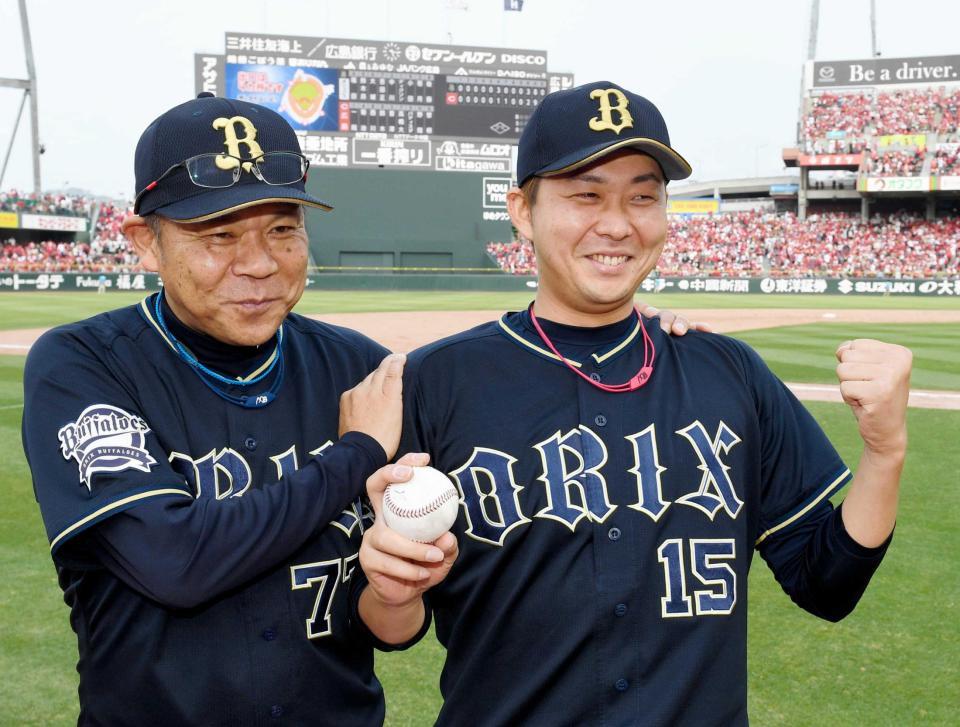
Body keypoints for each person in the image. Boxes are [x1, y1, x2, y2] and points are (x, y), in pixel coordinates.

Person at [21, 92, 693, 725]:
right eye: (219, 236)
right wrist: (356, 455)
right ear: (144, 241)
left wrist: (633, 339)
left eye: (283, 229)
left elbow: (395, 622)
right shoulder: (85, 365)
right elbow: (173, 560)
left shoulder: (365, 371)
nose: (259, 263)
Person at [355, 81, 913, 725]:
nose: (617, 223)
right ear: (520, 209)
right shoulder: (434, 381)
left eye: (643, 196)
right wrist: (392, 593)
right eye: (585, 194)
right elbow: (388, 628)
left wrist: (885, 452)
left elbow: (828, 585)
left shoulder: (729, 373)